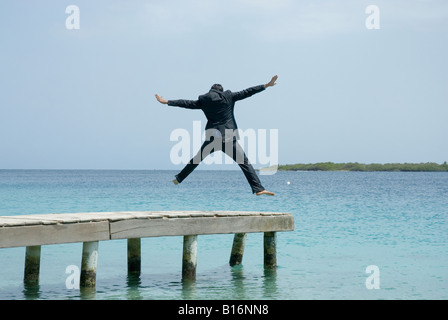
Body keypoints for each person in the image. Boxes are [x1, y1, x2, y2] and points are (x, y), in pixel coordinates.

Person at [155, 75, 278, 196]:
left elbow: (186, 103)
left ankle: (179, 178)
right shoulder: (229, 97)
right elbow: (247, 92)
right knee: (244, 163)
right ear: (221, 91)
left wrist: (167, 102)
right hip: (229, 137)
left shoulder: (204, 100)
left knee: (197, 159)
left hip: (212, 137)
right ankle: (258, 189)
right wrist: (266, 85)